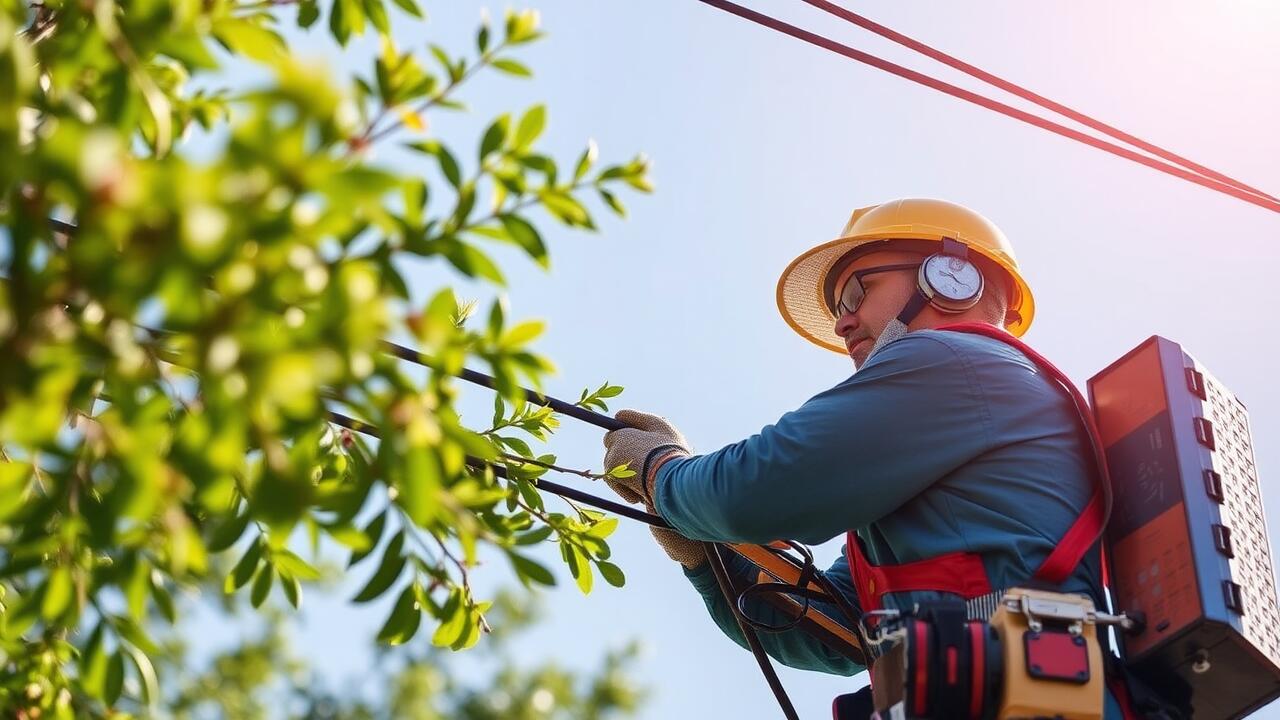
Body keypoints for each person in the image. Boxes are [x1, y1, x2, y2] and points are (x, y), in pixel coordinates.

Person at [600, 197, 1120, 716]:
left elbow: (752, 491)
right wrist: (703, 555)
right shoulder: (951, 420)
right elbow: (831, 627)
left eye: (856, 293)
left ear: (950, 277)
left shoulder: (952, 361)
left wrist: (662, 469)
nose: (842, 324)